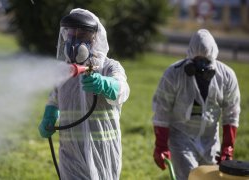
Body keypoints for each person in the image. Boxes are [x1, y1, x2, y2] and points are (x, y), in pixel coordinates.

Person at [38, 8, 130, 180]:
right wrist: (49, 115)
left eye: (81, 36)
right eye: (70, 34)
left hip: (103, 152)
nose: (73, 41)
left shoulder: (109, 67)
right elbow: (54, 98)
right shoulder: (63, 72)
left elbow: (122, 89)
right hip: (70, 154)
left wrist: (105, 84)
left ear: (94, 38)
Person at [151, 29, 240, 180]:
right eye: (198, 60)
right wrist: (161, 145)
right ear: (190, 57)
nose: (201, 65)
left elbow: (231, 114)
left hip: (210, 139)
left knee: (211, 177)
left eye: (206, 61)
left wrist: (227, 148)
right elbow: (161, 110)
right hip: (181, 137)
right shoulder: (174, 74)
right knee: (189, 176)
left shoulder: (226, 76)